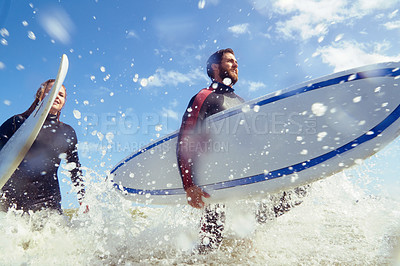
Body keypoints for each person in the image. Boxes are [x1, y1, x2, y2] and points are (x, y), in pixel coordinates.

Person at [177, 48, 244, 252]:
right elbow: (185, 139)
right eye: (230, 61)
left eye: (236, 61)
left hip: (240, 176)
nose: (236, 65)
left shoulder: (242, 102)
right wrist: (189, 185)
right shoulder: (204, 96)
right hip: (212, 179)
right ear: (216, 67)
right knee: (212, 242)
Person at [0, 79, 85, 214]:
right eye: (52, 91)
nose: (57, 95)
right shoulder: (18, 122)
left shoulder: (67, 132)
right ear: (40, 95)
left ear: (63, 102)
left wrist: (82, 197)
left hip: (49, 202)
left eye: (61, 94)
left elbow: (74, 167)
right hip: (13, 200)